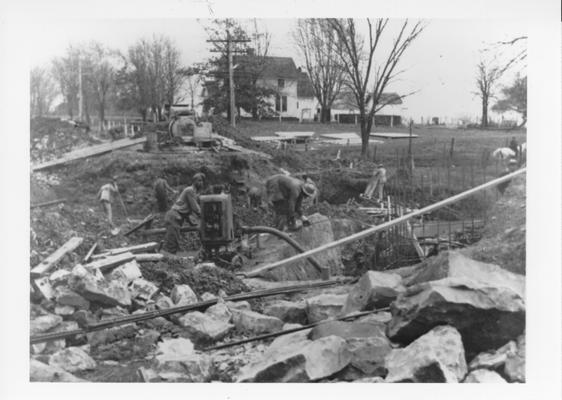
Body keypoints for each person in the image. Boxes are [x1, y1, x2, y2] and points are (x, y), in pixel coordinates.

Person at [162, 172, 206, 254]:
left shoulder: (194, 192)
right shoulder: (190, 190)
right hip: (173, 216)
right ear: (194, 181)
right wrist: (204, 215)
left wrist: (193, 223)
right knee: (171, 243)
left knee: (174, 242)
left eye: (202, 181)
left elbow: (187, 212)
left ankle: (168, 260)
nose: (201, 183)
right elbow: (195, 208)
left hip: (177, 217)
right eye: (199, 180)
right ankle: (166, 261)